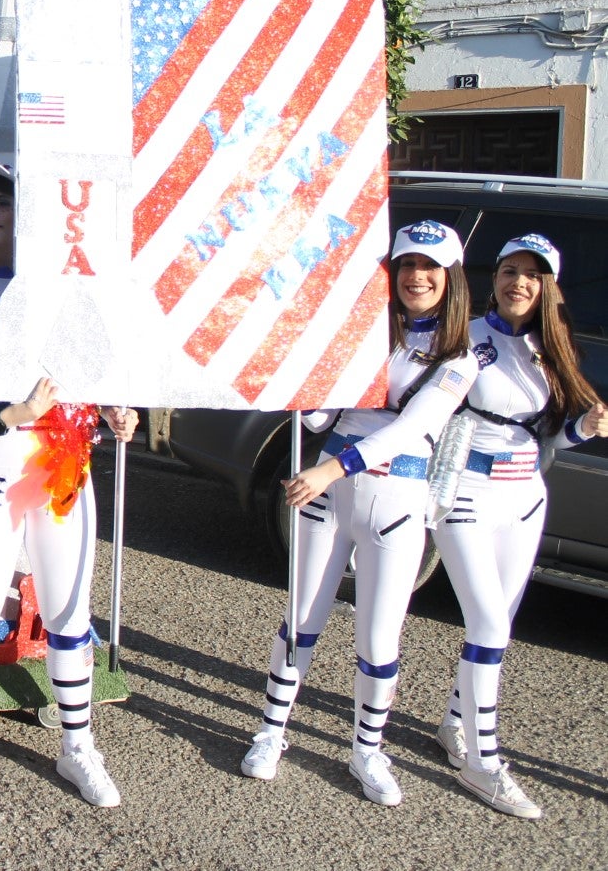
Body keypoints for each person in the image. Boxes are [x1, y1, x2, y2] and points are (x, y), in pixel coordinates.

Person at [0, 159, 136, 806]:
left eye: (1, 201)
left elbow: (94, 371)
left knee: (69, 613)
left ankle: (77, 745)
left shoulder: (69, 293)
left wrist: (115, 410)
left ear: (24, 210)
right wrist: (1, 416)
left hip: (61, 465)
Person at [238, 220, 478, 807]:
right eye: (407, 264)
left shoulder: (460, 357)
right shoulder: (364, 332)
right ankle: (271, 730)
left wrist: (329, 469)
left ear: (450, 277)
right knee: (300, 620)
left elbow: (412, 427)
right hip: (327, 500)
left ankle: (367, 750)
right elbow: (323, 418)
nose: (416, 276)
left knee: (378, 638)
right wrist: (303, 384)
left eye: (430, 266)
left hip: (393, 502)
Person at [431, 233, 608, 819]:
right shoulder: (462, 337)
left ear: (547, 288)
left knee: (497, 624)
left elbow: (550, 438)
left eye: (532, 275)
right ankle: (484, 762)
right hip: (466, 495)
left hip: (525, 499)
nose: (519, 282)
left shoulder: (552, 350)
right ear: (496, 278)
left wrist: (584, 429)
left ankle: (455, 725)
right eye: (510, 270)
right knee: (488, 625)